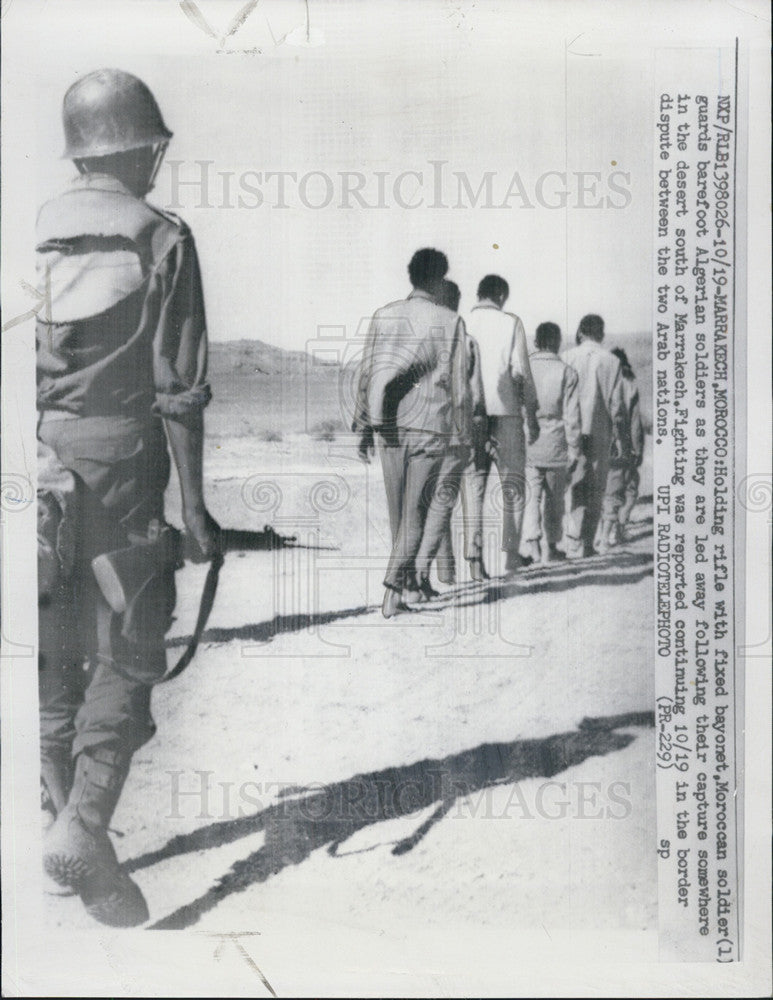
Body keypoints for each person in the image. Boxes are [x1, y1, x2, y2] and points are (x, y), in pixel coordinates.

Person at [36, 69, 220, 926]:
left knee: (55, 645)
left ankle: (62, 820)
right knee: (131, 645)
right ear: (138, 146)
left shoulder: (35, 232)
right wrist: (196, 510)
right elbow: (178, 391)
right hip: (124, 469)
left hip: (37, 469)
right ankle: (84, 820)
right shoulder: (161, 235)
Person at [353, 249, 467, 617]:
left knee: (398, 512)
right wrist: (461, 432)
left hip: (386, 423)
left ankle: (403, 589)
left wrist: (363, 425)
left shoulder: (384, 315)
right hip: (430, 424)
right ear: (440, 278)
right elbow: (460, 387)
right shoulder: (450, 320)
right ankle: (393, 588)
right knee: (417, 511)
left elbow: (367, 373)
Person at [464, 274, 539, 574]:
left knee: (474, 485)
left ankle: (473, 556)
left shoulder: (462, 324)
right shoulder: (511, 323)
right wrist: (531, 414)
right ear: (502, 297)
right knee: (513, 488)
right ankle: (510, 556)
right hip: (506, 413)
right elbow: (520, 372)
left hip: (471, 415)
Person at [414, 280, 486, 590]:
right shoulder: (467, 340)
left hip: (420, 430)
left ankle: (440, 572)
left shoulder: (418, 337)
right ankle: (421, 573)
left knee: (423, 503)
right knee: (443, 502)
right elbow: (477, 395)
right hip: (455, 431)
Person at [561, 314, 630, 557]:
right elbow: (617, 407)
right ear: (601, 333)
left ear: (580, 331)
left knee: (575, 486)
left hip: (572, 432)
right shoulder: (612, 361)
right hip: (600, 432)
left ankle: (572, 540)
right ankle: (587, 543)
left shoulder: (566, 356)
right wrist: (621, 439)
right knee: (596, 489)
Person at [520, 322, 581, 564]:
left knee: (531, 496)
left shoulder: (525, 370)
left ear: (536, 342)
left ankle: (533, 546)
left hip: (529, 440)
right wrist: (575, 450)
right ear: (557, 342)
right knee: (555, 499)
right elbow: (572, 417)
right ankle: (552, 547)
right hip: (557, 443)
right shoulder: (567, 372)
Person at [602, 347, 645, 546]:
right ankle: (616, 529)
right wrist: (638, 448)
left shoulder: (603, 382)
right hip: (624, 444)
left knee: (608, 489)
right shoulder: (629, 385)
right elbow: (636, 423)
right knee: (630, 488)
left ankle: (608, 531)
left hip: (603, 442)